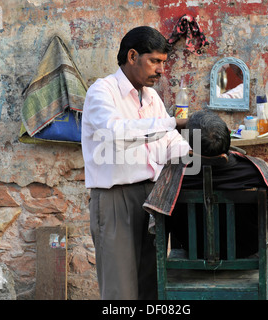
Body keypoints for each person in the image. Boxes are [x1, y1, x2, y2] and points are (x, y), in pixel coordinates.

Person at [81, 26, 190, 300]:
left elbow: (168, 143)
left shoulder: (151, 97)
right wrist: (172, 122)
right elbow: (117, 133)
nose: (160, 70)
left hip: (152, 198)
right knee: (121, 292)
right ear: (132, 56)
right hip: (115, 200)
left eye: (163, 63)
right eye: (154, 61)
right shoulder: (102, 92)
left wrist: (196, 155)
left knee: (151, 287)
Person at [144, 110, 268, 260]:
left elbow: (161, 223)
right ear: (228, 133)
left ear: (190, 143)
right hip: (251, 254)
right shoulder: (258, 171)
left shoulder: (173, 174)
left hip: (197, 255)